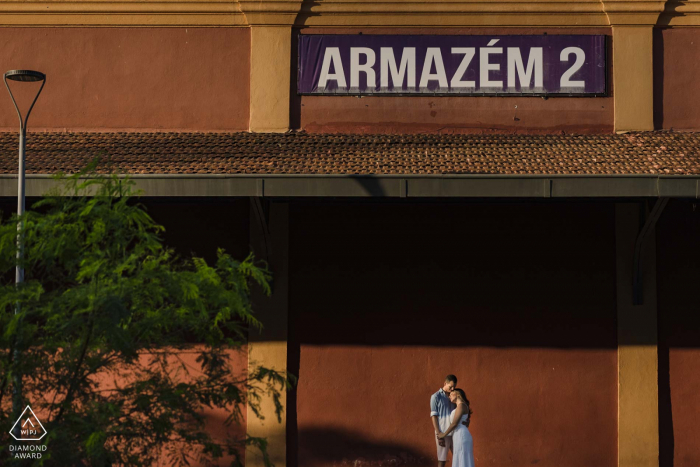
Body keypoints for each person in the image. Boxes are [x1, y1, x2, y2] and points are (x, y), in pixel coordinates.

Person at [437, 388, 474, 467]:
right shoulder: (459, 407)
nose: (449, 396)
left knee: (462, 458)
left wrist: (443, 435)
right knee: (460, 458)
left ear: (457, 394)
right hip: (457, 435)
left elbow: (454, 423)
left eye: (451, 394)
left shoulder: (461, 405)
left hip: (461, 435)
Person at [430, 375, 457, 467]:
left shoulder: (454, 396)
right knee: (442, 461)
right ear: (445, 383)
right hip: (443, 433)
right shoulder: (435, 397)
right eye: (451, 386)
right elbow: (434, 417)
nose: (452, 389)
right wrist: (439, 434)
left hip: (455, 433)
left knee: (458, 458)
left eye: (454, 387)